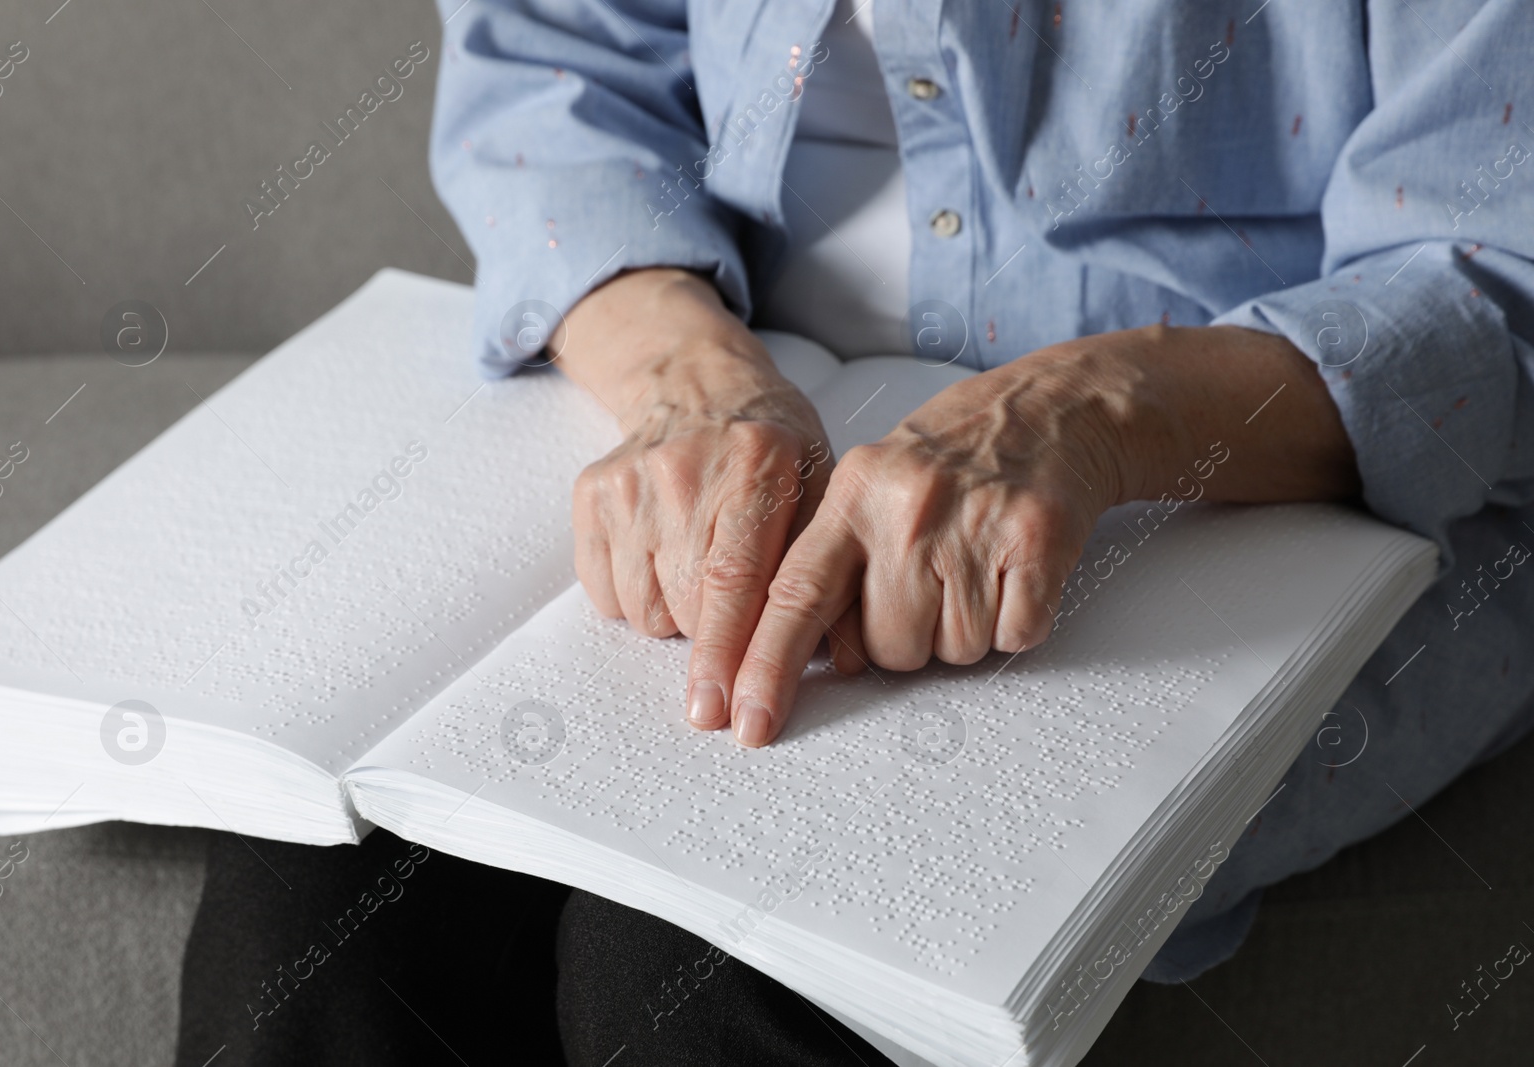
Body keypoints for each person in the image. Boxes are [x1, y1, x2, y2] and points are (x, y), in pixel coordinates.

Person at [175, 1, 1534, 1063]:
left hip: (1273, 472)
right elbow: (552, 59)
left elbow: (1500, 266)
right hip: (746, 390)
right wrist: (686, 377)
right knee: (312, 917)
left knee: (709, 972)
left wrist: (1105, 411)